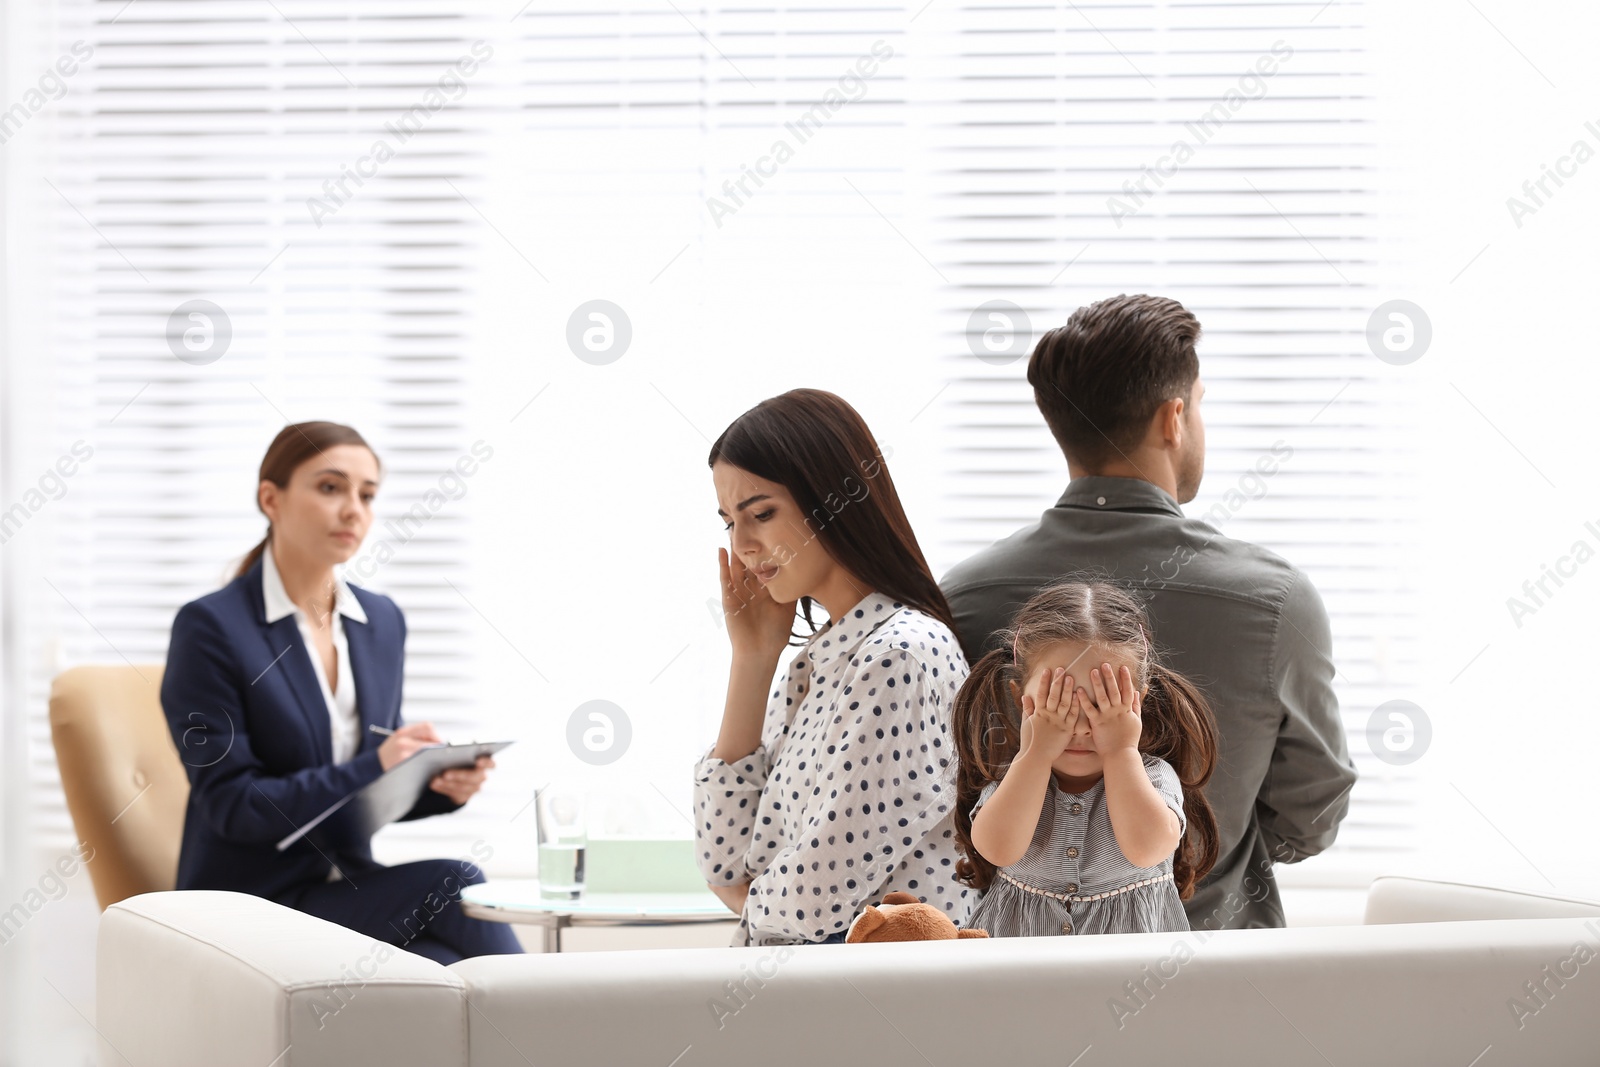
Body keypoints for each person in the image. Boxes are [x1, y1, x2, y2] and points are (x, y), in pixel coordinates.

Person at [940, 293, 1358, 930]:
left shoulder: (959, 597)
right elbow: (1310, 821)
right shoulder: (1277, 600)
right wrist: (1193, 849)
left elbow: (944, 805)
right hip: (1221, 986)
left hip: (1012, 992)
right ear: (1174, 419)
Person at [160, 421, 521, 964]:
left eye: (367, 494)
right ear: (271, 498)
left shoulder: (380, 621)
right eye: (331, 488)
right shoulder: (211, 628)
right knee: (458, 883)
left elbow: (360, 798)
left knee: (446, 970)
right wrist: (376, 765)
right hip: (248, 903)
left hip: (344, 889)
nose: (354, 509)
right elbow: (232, 805)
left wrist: (436, 787)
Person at [694, 388, 976, 945]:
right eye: (728, 521)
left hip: (875, 1005)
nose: (743, 544)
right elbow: (724, 864)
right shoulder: (822, 661)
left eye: (762, 514)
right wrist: (751, 660)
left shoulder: (899, 656)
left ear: (834, 500)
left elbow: (810, 902)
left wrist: (752, 897)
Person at [952, 580, 1219, 937]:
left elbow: (1147, 850)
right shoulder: (1013, 779)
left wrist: (1120, 751)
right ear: (1020, 699)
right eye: (1058, 704)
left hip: (1131, 975)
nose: (1079, 727)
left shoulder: (1154, 777)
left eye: (1101, 705)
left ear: (1137, 702)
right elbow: (998, 849)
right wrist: (1036, 754)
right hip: (1019, 980)